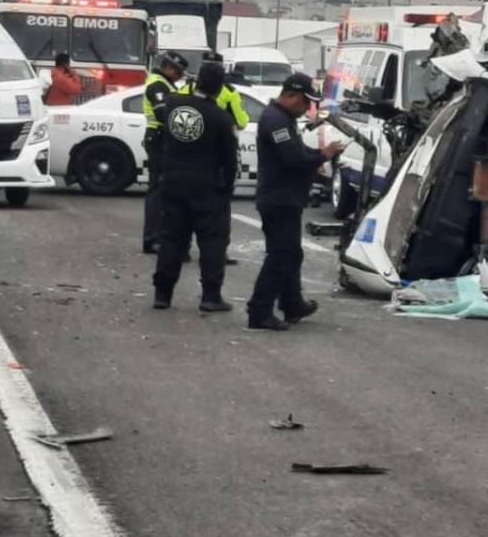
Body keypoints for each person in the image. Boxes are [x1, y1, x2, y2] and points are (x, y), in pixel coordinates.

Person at [247, 73, 345, 331]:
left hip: (286, 198)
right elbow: (292, 159)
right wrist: (324, 154)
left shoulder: (284, 119)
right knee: (280, 256)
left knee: (291, 254)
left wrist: (319, 154)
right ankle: (259, 311)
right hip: (278, 199)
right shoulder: (276, 121)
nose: (307, 108)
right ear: (291, 95)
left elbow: (299, 153)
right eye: (305, 102)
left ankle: (292, 303)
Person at [152, 62, 237, 312]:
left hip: (173, 183)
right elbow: (229, 161)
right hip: (207, 188)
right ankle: (210, 296)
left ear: (197, 81)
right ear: (219, 88)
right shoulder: (221, 118)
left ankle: (162, 294)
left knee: (172, 240)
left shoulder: (173, 105)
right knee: (212, 242)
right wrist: (227, 189)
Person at [140, 51, 190, 254]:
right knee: (158, 190)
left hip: (161, 138)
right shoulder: (158, 84)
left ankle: (156, 236)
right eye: (178, 72)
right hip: (159, 138)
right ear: (168, 67)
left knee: (162, 189)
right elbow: (163, 112)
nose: (179, 76)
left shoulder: (165, 84)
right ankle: (153, 238)